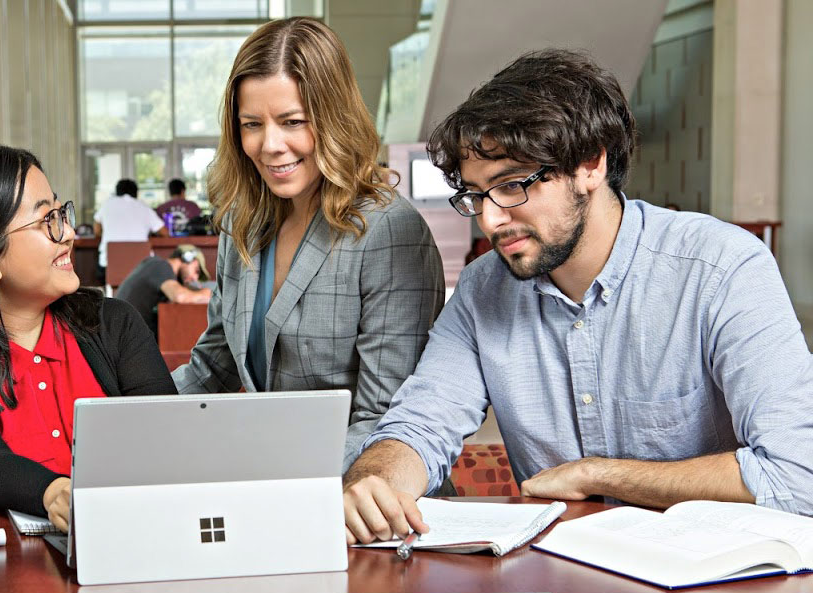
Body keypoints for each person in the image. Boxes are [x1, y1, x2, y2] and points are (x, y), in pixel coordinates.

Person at [344, 49, 813, 544]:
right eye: (477, 195)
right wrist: (375, 479)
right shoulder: (484, 289)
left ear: (591, 164)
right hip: (564, 583)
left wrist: (598, 475)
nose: (490, 219)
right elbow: (421, 425)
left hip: (719, 587)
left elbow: (798, 475)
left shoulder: (721, 268)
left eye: (511, 186)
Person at [172, 17, 445, 471]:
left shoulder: (390, 231)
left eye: (292, 121)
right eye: (252, 124)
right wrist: (125, 418)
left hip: (360, 503)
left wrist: (266, 472)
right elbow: (213, 366)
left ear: (333, 119)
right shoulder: (242, 221)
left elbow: (386, 421)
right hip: (269, 489)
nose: (270, 144)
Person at [0, 146, 175, 532]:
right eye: (46, 220)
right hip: (1, 572)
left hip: (134, 541)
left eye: (61, 214)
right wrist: (51, 494)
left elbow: (166, 436)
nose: (67, 234)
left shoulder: (114, 324)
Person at [116, 244, 212, 337]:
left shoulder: (158, 269)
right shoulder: (160, 266)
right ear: (188, 258)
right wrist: (207, 293)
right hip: (127, 339)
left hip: (128, 336)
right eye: (197, 271)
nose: (195, 278)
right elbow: (180, 296)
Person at [92, 178, 167, 284]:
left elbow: (96, 231)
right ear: (136, 193)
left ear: (117, 192)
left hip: (109, 266)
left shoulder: (107, 205)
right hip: (140, 266)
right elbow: (165, 233)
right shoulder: (144, 207)